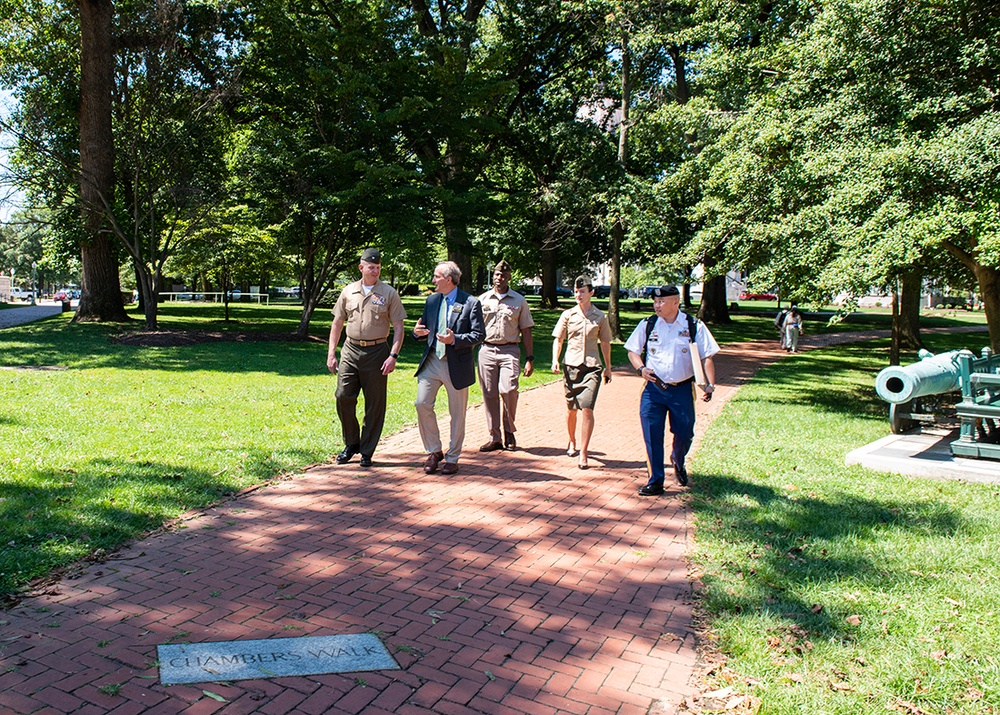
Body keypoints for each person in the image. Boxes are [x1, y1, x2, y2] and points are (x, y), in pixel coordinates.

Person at [625, 284, 720, 494]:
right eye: (655, 302)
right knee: (652, 434)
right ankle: (655, 480)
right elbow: (632, 350)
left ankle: (678, 458)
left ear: (675, 302)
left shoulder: (693, 325)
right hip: (653, 389)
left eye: (661, 302)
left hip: (682, 390)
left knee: (685, 432)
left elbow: (707, 356)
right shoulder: (648, 324)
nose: (656, 305)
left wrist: (709, 384)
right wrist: (640, 368)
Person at [327, 247, 407, 467]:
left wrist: (393, 356)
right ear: (361, 267)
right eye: (371, 267)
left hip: (377, 352)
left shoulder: (389, 293)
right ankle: (352, 443)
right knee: (343, 396)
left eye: (378, 268)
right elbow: (337, 322)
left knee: (375, 404)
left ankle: (367, 451)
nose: (375, 271)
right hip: (350, 350)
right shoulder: (348, 292)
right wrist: (331, 352)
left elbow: (399, 327)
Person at [413, 261, 486, 475]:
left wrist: (455, 339)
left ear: (448, 279)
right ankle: (434, 451)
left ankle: (453, 458)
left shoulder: (470, 302)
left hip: (456, 365)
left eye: (436, 277)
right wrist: (416, 333)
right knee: (421, 403)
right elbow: (423, 328)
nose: (433, 281)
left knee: (457, 414)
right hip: (432, 361)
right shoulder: (432, 300)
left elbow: (479, 334)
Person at [551, 275, 613, 470]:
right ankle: (572, 440)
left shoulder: (600, 317)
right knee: (571, 409)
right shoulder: (568, 315)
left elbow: (605, 342)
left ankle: (584, 452)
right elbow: (558, 339)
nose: (578, 295)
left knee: (587, 408)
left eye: (582, 291)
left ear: (591, 293)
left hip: (592, 367)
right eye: (576, 291)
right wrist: (555, 360)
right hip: (571, 366)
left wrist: (608, 367)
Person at [478, 259, 535, 452]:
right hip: (486, 350)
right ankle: (495, 437)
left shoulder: (519, 301)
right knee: (489, 394)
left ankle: (509, 430)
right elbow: (473, 328)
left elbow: (526, 330)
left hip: (510, 350)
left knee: (509, 389)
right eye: (496, 274)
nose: (499, 278)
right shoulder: (483, 300)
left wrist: (529, 358)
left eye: (503, 275)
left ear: (509, 277)